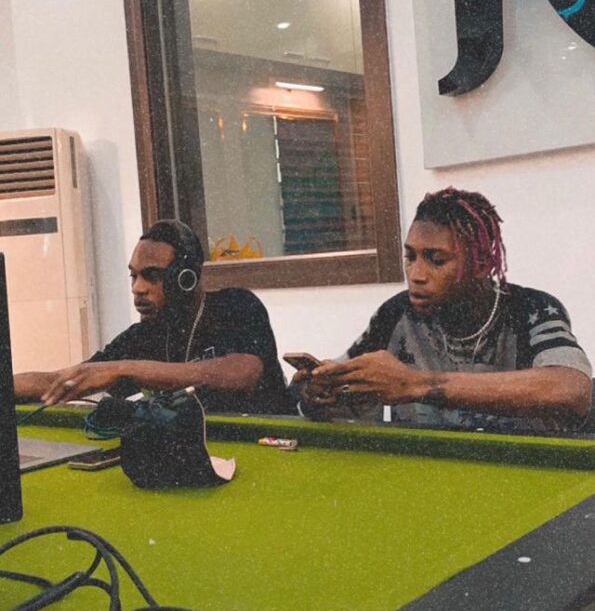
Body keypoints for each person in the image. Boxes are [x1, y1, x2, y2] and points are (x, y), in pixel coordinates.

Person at [295, 188, 592, 433]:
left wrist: (416, 384)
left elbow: (571, 389)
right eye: (410, 257)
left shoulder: (531, 309)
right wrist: (320, 394)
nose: (416, 274)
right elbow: (352, 398)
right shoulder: (396, 313)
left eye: (436, 260)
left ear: (481, 265)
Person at [15, 220, 291, 414]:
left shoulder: (236, 305)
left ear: (186, 278)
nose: (137, 288)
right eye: (133, 275)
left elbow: (242, 373)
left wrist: (124, 369)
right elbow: (64, 380)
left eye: (151, 275)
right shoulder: (144, 335)